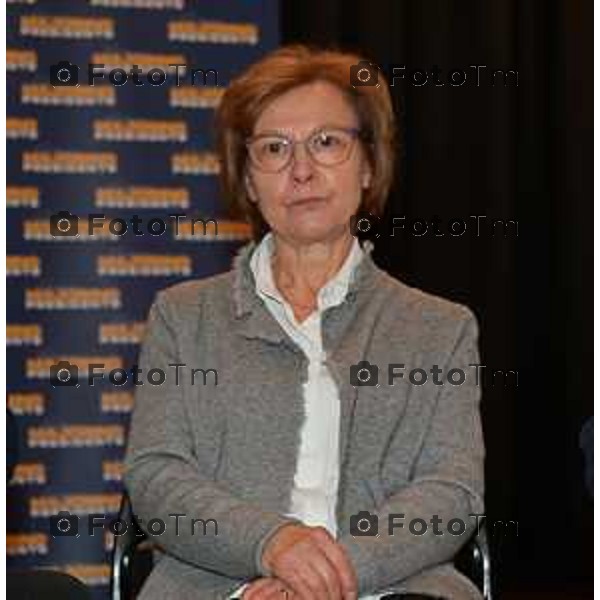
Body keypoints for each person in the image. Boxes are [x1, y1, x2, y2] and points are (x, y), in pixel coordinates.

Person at [124, 44, 485, 600]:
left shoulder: (439, 329)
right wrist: (271, 545)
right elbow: (157, 477)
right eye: (273, 148)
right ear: (247, 180)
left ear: (368, 165)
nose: (301, 170)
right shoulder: (182, 317)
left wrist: (327, 577)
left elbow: (450, 493)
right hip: (220, 588)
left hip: (390, 587)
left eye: (326, 142)